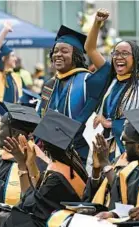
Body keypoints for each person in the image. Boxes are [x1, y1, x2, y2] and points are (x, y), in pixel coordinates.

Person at [0, 110, 88, 227]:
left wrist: (24, 163)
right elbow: (34, 197)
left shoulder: (57, 176)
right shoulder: (68, 166)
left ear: (44, 146)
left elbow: (28, 202)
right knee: (7, 218)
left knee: (10, 220)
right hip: (52, 221)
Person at [85, 9, 139, 158]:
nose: (119, 57)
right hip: (105, 148)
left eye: (125, 53)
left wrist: (111, 124)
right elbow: (90, 48)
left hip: (131, 152)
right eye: (116, 53)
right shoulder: (110, 77)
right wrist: (97, 23)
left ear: (135, 59)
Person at [37, 25, 103, 164]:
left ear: (76, 55)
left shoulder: (87, 80)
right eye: (55, 51)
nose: (58, 54)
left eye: (64, 51)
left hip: (80, 154)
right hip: (51, 153)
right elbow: (40, 116)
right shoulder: (50, 84)